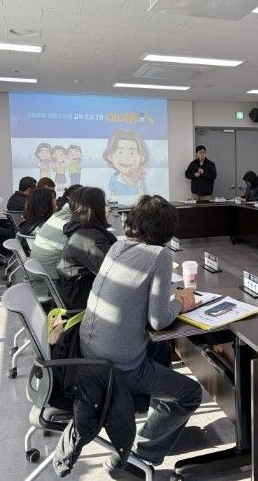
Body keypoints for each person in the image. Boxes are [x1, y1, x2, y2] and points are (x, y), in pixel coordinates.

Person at [80, 195, 202, 475]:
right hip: (120, 366)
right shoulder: (160, 255)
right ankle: (141, 456)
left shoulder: (117, 246)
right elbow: (158, 321)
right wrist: (181, 302)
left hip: (89, 353)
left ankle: (158, 428)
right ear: (167, 229)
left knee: (161, 357)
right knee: (190, 394)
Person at [57, 187, 116, 309]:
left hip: (75, 293)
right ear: (97, 208)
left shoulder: (81, 230)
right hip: (83, 302)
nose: (108, 208)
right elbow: (114, 274)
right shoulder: (89, 240)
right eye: (105, 204)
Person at [30, 185, 83, 281]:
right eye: (54, 199)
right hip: (51, 276)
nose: (57, 202)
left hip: (37, 269)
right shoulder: (69, 222)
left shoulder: (56, 217)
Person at [103, 129, 149, 196]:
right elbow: (112, 195)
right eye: (120, 152)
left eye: (132, 153)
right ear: (110, 157)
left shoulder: (141, 179)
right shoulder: (114, 179)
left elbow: (144, 197)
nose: (126, 158)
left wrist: (138, 186)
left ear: (141, 158)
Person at [18, 188, 56, 253]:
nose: (56, 202)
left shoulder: (28, 224)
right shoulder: (48, 226)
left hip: (30, 255)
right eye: (54, 199)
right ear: (47, 204)